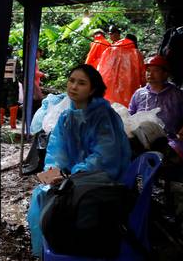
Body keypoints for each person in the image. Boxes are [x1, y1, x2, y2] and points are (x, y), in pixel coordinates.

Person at [27, 64, 131, 256]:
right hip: (75, 178)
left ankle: (73, 247)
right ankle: (52, 248)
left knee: (64, 201)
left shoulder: (104, 116)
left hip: (103, 180)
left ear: (92, 89)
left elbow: (105, 156)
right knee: (43, 193)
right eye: (72, 81)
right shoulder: (66, 117)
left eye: (81, 83)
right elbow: (57, 150)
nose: (73, 86)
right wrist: (54, 170)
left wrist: (73, 175)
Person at [128, 55, 183, 164]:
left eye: (156, 71)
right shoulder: (139, 93)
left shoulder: (177, 94)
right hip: (141, 138)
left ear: (165, 74)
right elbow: (130, 115)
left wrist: (181, 135)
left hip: (170, 139)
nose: (150, 74)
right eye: (148, 70)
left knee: (170, 159)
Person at [96, 29, 145, 107]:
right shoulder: (136, 53)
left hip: (108, 89)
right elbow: (143, 75)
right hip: (128, 90)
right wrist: (144, 88)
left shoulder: (109, 50)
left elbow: (100, 69)